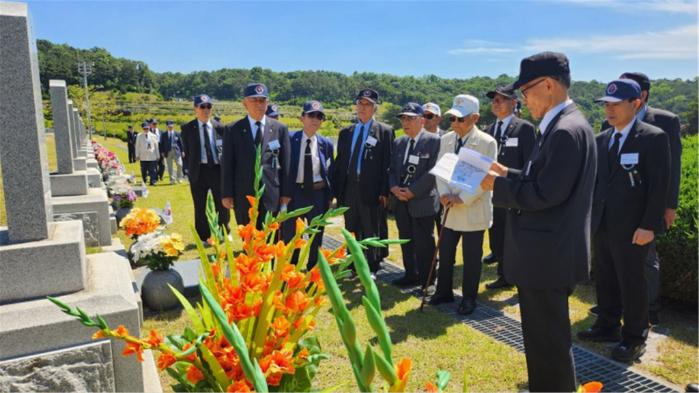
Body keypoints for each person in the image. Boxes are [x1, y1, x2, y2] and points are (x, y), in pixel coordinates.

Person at [480, 52, 597, 392]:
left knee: (548, 346)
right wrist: (508, 173)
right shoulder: (565, 125)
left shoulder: (565, 130)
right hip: (548, 253)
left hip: (547, 256)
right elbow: (542, 180)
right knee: (543, 342)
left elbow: (546, 194)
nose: (523, 99)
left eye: (526, 90)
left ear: (548, 85)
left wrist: (496, 185)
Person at [577, 79, 669, 363]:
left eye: (616, 104)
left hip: (634, 228)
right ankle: (607, 325)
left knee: (632, 283)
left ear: (636, 104)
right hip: (603, 224)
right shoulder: (602, 138)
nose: (609, 110)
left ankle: (634, 337)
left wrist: (649, 225)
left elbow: (659, 187)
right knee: (605, 278)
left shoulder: (652, 137)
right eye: (606, 104)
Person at [616, 71, 682, 326]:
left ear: (641, 96)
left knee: (647, 256)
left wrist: (669, 205)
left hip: (649, 204)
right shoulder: (610, 122)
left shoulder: (666, 121)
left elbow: (672, 167)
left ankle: (650, 309)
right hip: (620, 205)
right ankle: (621, 305)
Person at [430, 94, 496, 316]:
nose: (455, 124)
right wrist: (444, 194)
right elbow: (440, 171)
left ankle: (469, 298)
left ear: (475, 117)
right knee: (446, 253)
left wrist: (463, 198)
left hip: (472, 209)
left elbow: (487, 178)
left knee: (471, 259)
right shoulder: (446, 140)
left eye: (461, 119)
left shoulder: (487, 142)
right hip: (449, 208)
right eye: (452, 119)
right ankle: (443, 291)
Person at [331, 88, 393, 275]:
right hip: (349, 188)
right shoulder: (346, 132)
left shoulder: (384, 131)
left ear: (375, 108)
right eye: (360, 103)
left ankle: (372, 266)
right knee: (351, 227)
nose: (363, 107)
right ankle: (353, 263)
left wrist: (384, 191)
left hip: (372, 190)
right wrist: (336, 191)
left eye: (367, 104)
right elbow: (340, 163)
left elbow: (387, 164)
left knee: (370, 227)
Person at [482, 85, 536, 290]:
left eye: (501, 99)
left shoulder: (524, 128)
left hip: (514, 190)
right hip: (492, 191)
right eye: (494, 100)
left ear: (514, 103)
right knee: (497, 234)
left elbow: (530, 163)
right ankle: (503, 274)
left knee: (514, 236)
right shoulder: (489, 130)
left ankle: (517, 274)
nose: (496, 103)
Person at [221, 83, 291, 229]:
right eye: (254, 100)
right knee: (248, 239)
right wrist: (226, 194)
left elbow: (286, 164)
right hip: (243, 196)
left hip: (272, 195)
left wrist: (286, 194)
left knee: (269, 240)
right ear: (244, 103)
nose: (259, 104)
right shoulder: (233, 129)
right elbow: (227, 164)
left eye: (262, 100)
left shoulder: (280, 128)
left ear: (267, 102)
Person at [388, 103, 440, 288]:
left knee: (424, 243)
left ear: (422, 120)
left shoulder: (434, 141)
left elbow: (434, 172)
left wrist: (413, 191)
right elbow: (392, 169)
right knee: (406, 240)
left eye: (410, 118)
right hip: (401, 201)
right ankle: (411, 274)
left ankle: (428, 279)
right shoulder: (399, 142)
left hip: (422, 201)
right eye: (403, 118)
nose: (405, 122)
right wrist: (394, 187)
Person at [282, 100, 334, 269]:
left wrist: (330, 197)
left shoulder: (326, 143)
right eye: (311, 115)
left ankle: (313, 268)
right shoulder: (289, 139)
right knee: (291, 234)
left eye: (319, 116)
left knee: (316, 234)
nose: (315, 119)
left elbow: (329, 172)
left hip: (317, 194)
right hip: (294, 193)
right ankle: (291, 267)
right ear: (302, 118)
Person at [180, 94, 229, 242]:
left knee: (222, 204)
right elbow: (186, 152)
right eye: (202, 107)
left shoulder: (220, 128)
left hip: (216, 169)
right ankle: (203, 236)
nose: (206, 110)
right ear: (195, 108)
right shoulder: (188, 129)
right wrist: (188, 169)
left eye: (209, 106)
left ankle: (224, 232)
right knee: (200, 206)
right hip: (198, 171)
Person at [135, 121, 159, 186]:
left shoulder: (153, 136)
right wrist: (137, 155)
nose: (146, 130)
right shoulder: (139, 136)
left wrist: (158, 155)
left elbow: (156, 146)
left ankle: (153, 181)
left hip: (152, 155)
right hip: (143, 156)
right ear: (142, 129)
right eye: (144, 129)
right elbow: (137, 146)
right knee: (144, 170)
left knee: (152, 170)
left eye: (147, 128)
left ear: (149, 128)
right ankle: (144, 180)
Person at [160, 120, 184, 184]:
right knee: (170, 167)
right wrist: (162, 152)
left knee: (180, 164)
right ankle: (172, 179)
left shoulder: (177, 133)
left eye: (171, 126)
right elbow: (161, 144)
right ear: (167, 126)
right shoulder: (164, 134)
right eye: (169, 126)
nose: (170, 128)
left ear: (173, 126)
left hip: (176, 151)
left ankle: (179, 178)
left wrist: (182, 151)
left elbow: (181, 143)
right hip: (167, 152)